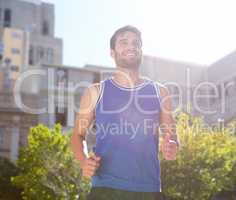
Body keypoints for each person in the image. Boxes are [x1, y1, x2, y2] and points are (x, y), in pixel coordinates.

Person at [70, 25, 179, 200]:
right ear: (112, 52)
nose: (131, 46)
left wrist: (172, 145)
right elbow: (77, 135)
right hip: (106, 189)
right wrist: (84, 161)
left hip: (149, 190)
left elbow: (171, 134)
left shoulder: (161, 92)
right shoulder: (96, 92)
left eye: (136, 43)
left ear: (141, 51)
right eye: (124, 42)